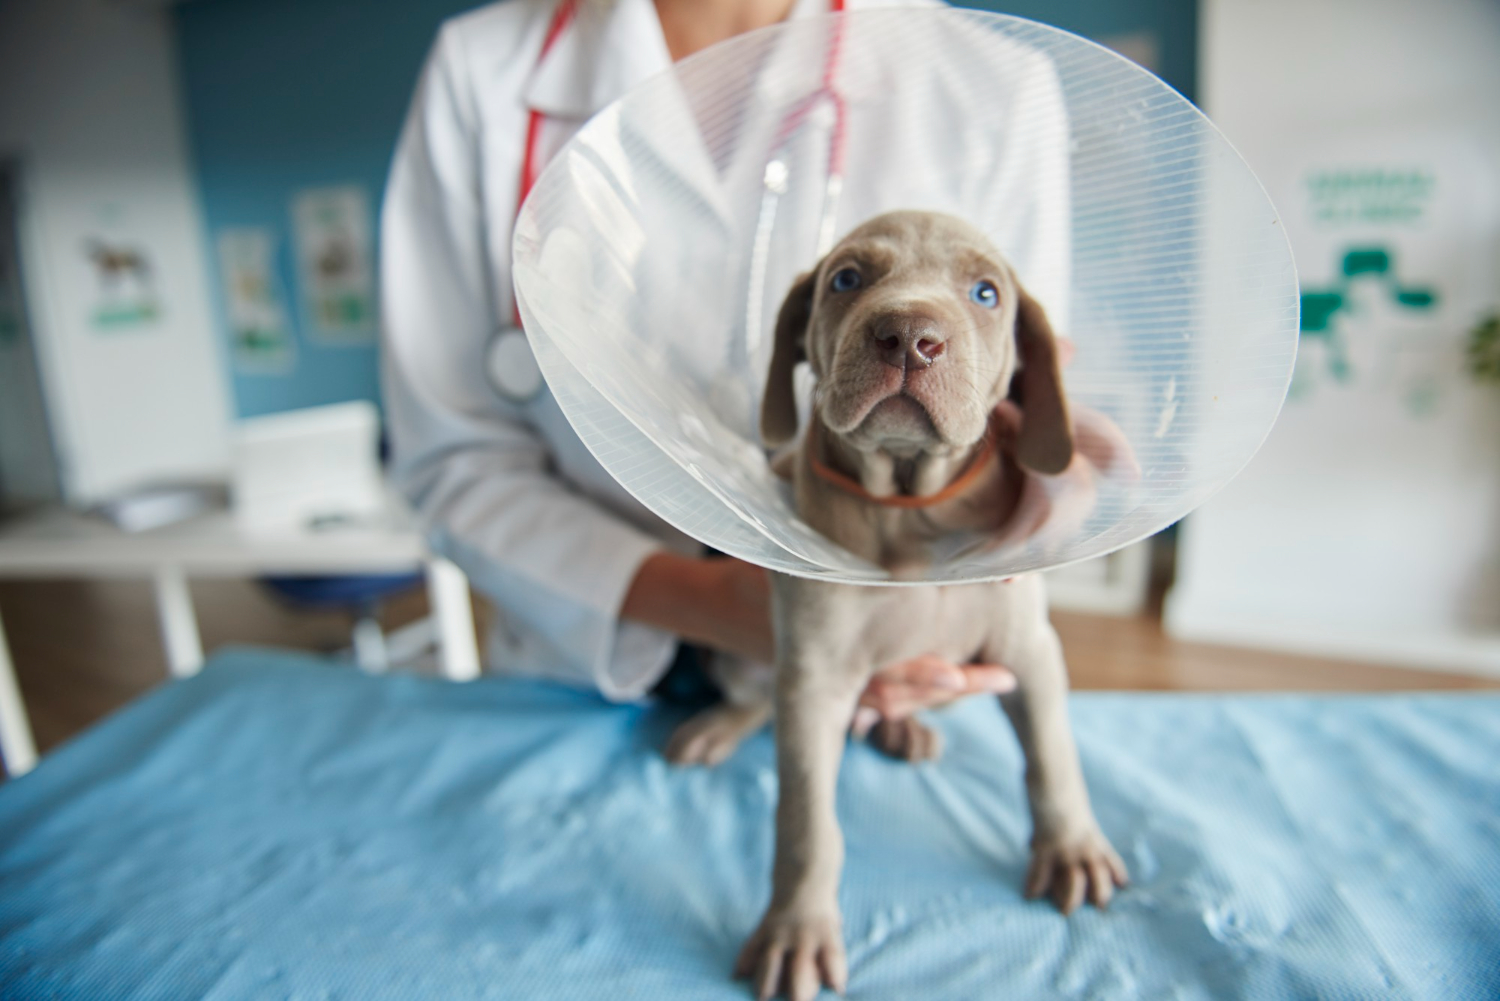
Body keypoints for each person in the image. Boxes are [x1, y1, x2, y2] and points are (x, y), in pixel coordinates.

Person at [380, 0, 1018, 725]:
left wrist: (1065, 481)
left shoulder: (990, 83)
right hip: (583, 669)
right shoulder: (481, 72)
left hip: (876, 677)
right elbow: (452, 457)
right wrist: (707, 602)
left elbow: (1017, 405)